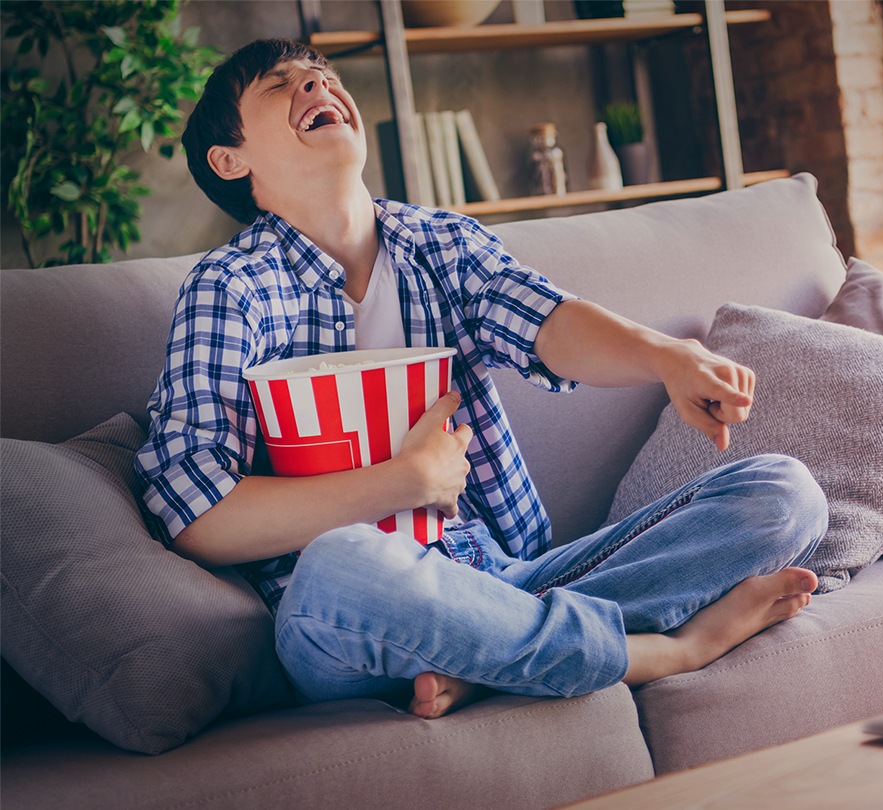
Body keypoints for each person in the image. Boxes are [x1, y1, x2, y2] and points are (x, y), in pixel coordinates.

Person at [136, 38, 826, 720]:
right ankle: (664, 653)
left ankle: (491, 662)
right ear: (231, 160)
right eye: (281, 84)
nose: (315, 86)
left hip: (501, 576)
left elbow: (549, 324)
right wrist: (406, 483)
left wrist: (667, 357)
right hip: (352, 616)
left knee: (784, 495)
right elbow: (197, 515)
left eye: (320, 73)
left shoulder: (440, 243)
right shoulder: (230, 288)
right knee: (339, 564)